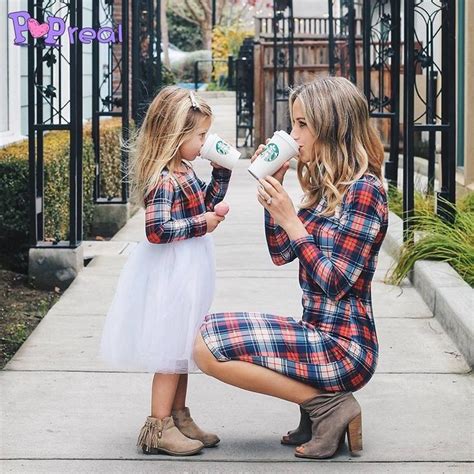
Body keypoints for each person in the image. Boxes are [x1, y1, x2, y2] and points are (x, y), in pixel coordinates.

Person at [194, 77, 389, 459]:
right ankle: (317, 407)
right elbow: (282, 253)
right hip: (316, 331)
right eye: (294, 123)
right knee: (202, 332)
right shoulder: (324, 186)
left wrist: (293, 221)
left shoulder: (365, 191)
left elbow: (336, 283)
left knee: (206, 349)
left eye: (302, 125)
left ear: (331, 127)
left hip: (346, 347)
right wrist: (275, 198)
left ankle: (329, 406)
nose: (293, 134)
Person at [100, 86, 232, 456]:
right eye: (201, 135)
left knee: (182, 347)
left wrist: (220, 175)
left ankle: (179, 416)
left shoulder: (185, 169)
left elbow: (204, 202)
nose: (205, 142)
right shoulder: (163, 180)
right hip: (172, 271)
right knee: (169, 350)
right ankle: (158, 427)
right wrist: (201, 224)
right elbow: (157, 231)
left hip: (189, 268)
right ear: (176, 137)